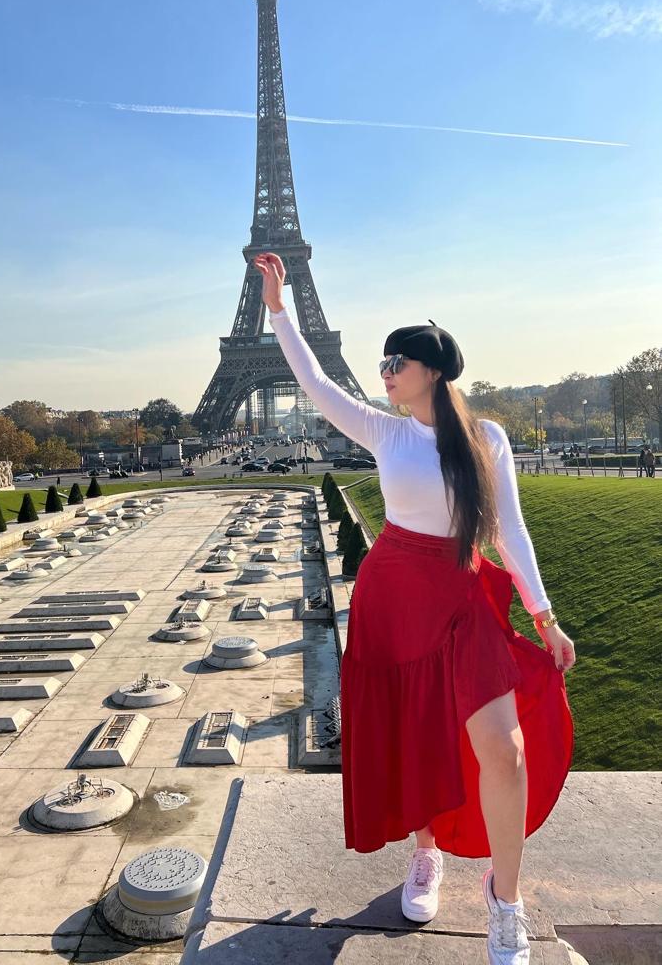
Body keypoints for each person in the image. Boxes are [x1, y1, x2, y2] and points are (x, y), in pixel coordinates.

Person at [253, 251, 576, 965]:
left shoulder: (485, 439)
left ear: (431, 368)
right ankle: (424, 853)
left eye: (395, 361)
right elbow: (312, 379)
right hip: (393, 599)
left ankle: (505, 899)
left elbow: (506, 530)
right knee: (418, 739)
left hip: (461, 599)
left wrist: (544, 616)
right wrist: (279, 309)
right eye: (381, 363)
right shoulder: (384, 432)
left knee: (505, 748)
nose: (384, 373)